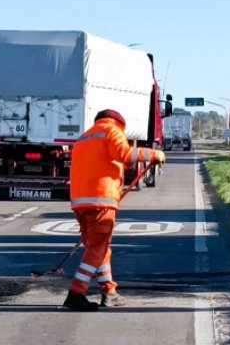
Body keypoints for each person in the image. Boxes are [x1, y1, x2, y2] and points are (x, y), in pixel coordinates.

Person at [63, 109, 166, 311]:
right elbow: (124, 154)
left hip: (80, 202)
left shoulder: (84, 137)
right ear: (119, 123)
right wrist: (154, 154)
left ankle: (109, 291)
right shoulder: (112, 131)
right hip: (101, 199)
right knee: (97, 249)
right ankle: (76, 292)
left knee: (101, 248)